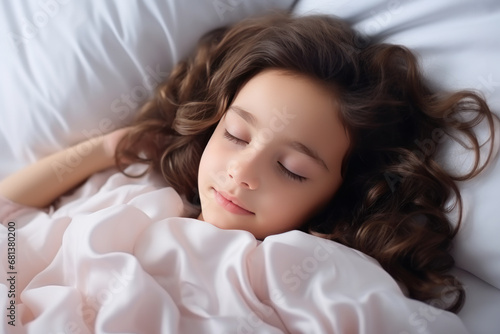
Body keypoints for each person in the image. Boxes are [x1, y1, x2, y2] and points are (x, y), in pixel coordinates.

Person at [0, 13, 496, 314]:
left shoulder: (314, 274)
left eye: (293, 169)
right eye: (235, 135)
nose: (242, 172)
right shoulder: (135, 189)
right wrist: (110, 148)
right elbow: (9, 222)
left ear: (340, 195)